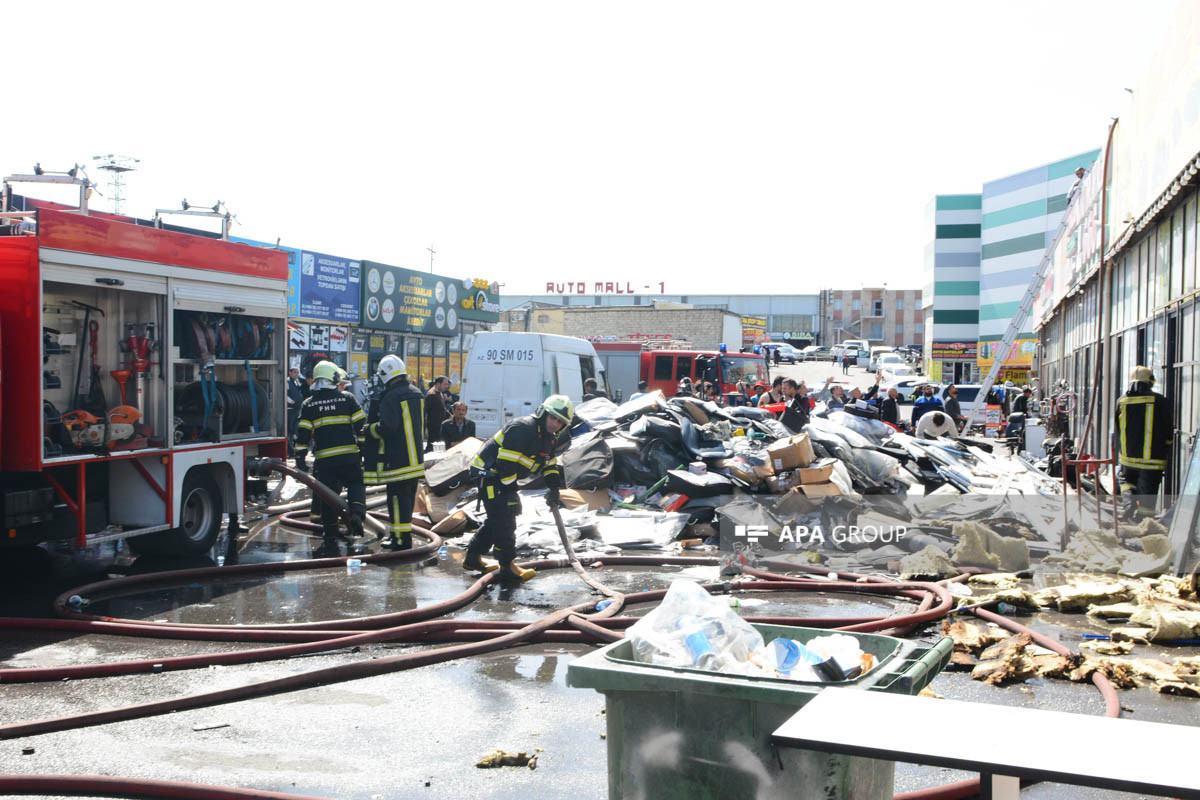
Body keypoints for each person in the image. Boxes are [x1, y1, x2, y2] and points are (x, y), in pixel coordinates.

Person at [467, 395, 572, 582]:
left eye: (560, 421)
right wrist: (511, 493)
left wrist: (554, 489)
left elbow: (549, 464)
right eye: (553, 417)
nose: (555, 423)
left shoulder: (550, 438)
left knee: (496, 519)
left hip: (503, 477)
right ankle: (507, 567)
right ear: (543, 414)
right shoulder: (523, 429)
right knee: (505, 520)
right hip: (489, 475)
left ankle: (472, 558)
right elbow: (505, 465)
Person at [294, 360, 367, 557]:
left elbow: (303, 434)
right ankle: (357, 514)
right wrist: (363, 448)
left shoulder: (309, 404)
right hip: (349, 456)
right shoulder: (347, 398)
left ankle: (330, 531)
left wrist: (300, 458)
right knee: (355, 484)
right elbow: (362, 426)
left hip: (325, 460)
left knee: (327, 494)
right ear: (334, 378)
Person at [362, 355, 425, 551]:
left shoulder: (390, 397)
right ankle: (403, 537)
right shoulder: (416, 393)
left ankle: (399, 540)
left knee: (396, 502)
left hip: (398, 461)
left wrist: (369, 429)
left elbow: (387, 428)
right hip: (415, 461)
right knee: (406, 502)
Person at [1115, 365, 1173, 503]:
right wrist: (1167, 447)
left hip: (1127, 460)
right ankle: (1143, 520)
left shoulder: (1121, 401)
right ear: (1150, 381)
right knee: (1147, 498)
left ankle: (1129, 505)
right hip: (1152, 461)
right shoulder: (1159, 401)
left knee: (1127, 484)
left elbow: (1118, 429)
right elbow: (1168, 428)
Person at [424, 376, 451, 452]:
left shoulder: (439, 393)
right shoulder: (431, 395)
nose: (447, 386)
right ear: (438, 384)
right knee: (431, 447)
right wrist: (425, 428)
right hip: (433, 426)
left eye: (447, 384)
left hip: (440, 425)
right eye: (445, 384)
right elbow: (424, 411)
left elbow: (442, 409)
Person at [286, 367, 307, 456]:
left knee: (295, 430)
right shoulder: (287, 382)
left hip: (297, 410)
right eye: (295, 372)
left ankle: (293, 449)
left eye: (298, 372)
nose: (297, 374)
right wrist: (290, 401)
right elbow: (284, 393)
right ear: (289, 373)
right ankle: (290, 451)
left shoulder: (297, 382)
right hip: (290, 409)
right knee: (290, 430)